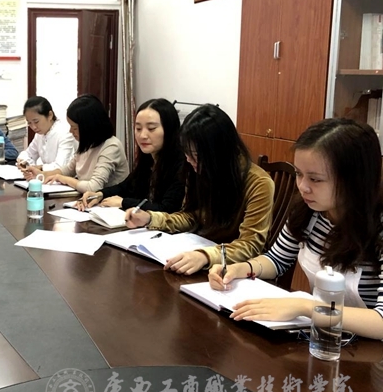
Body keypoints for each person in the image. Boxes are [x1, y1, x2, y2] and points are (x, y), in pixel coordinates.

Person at [209, 118, 383, 340]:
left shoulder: (377, 226)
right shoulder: (309, 211)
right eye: (299, 174)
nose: (302, 186)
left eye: (315, 179)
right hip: (323, 337)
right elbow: (277, 260)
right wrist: (240, 268)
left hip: (368, 350)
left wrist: (306, 307)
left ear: (355, 180)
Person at [125, 104, 274, 275]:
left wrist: (205, 256)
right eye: (187, 153)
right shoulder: (197, 169)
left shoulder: (259, 183)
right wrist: (150, 218)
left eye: (196, 156)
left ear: (219, 153)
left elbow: (250, 245)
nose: (189, 161)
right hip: (199, 260)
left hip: (234, 272)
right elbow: (191, 216)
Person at [77, 98, 185, 212]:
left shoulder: (182, 165)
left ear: (169, 130)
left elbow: (167, 209)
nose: (142, 135)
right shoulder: (148, 159)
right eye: (138, 128)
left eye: (151, 128)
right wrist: (100, 194)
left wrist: (124, 202)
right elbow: (125, 187)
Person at [28, 94, 129, 193]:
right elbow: (69, 170)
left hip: (110, 201)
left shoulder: (111, 147)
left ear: (89, 126)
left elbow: (94, 187)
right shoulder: (88, 143)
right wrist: (42, 174)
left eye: (74, 128)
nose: (71, 131)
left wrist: (64, 179)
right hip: (88, 200)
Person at [16, 96, 76, 176]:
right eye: (29, 123)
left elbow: (61, 167)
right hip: (47, 179)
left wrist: (40, 168)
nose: (33, 127)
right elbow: (28, 153)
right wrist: (23, 162)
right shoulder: (40, 134)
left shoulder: (65, 132)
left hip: (66, 180)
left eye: (36, 121)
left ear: (50, 115)